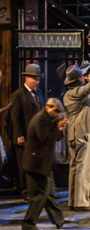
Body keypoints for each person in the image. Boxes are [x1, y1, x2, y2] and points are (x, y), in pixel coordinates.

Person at [20, 98, 67, 230]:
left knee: (49, 192)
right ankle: (28, 224)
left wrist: (57, 127)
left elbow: (53, 138)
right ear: (48, 108)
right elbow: (45, 139)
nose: (58, 114)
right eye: (56, 111)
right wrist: (58, 128)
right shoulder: (41, 119)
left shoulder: (46, 119)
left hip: (42, 164)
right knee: (40, 196)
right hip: (36, 165)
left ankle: (58, 220)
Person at [63, 58, 90, 211]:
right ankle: (81, 202)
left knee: (74, 167)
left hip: (73, 132)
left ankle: (73, 200)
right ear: (78, 79)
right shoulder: (79, 93)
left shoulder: (68, 95)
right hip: (83, 131)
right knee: (83, 168)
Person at [10, 64, 46, 197]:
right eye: (34, 79)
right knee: (24, 165)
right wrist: (19, 135)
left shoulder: (39, 93)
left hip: (36, 136)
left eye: (38, 79)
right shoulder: (18, 95)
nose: (37, 81)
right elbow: (15, 117)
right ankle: (25, 190)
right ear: (26, 78)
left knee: (34, 164)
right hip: (24, 136)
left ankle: (35, 189)